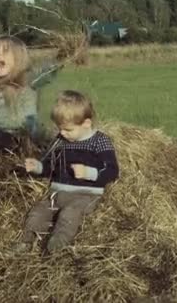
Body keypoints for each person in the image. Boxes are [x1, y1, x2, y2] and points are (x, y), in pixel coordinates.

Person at [14, 90, 119, 253]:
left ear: (86, 123)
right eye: (59, 128)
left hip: (85, 195)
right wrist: (38, 167)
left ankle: (56, 246)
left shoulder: (100, 141)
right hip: (57, 194)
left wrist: (89, 173)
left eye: (68, 130)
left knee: (69, 215)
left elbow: (112, 170)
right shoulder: (60, 141)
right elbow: (51, 165)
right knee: (38, 212)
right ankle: (26, 241)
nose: (62, 133)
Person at [0, 35, 62, 153]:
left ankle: (24, 150)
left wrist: (63, 55)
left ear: (19, 58)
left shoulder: (28, 79)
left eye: (5, 51)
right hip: (5, 136)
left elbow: (49, 72)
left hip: (26, 138)